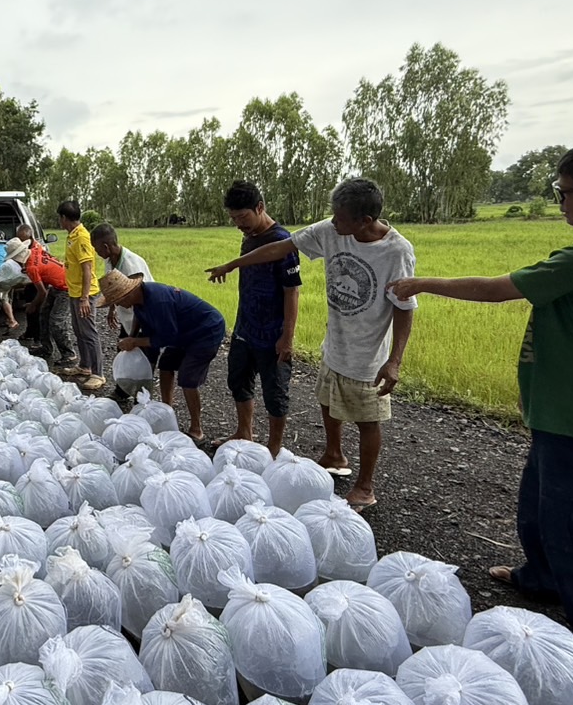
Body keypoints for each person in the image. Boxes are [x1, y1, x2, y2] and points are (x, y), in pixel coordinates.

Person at [386, 135, 573, 662]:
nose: (562, 201)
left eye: (566, 192)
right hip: (564, 411)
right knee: (542, 507)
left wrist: (421, 283)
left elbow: (496, 288)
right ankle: (543, 579)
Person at [207, 178, 416, 509]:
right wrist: (233, 264)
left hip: (369, 353)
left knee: (367, 419)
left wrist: (395, 361)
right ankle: (334, 454)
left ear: (364, 220)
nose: (333, 221)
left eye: (340, 216)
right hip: (334, 344)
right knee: (328, 404)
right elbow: (282, 247)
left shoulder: (396, 251)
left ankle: (365, 486)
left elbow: (405, 307)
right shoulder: (331, 230)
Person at [221, 181, 301, 457]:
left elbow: (292, 291)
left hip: (272, 333)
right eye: (233, 219)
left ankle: (274, 449)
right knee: (238, 380)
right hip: (245, 327)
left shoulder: (283, 241)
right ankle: (245, 432)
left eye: (242, 217)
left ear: (260, 207)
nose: (238, 224)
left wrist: (287, 337)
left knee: (275, 393)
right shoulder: (249, 238)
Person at [99, 270, 226, 442]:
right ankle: (168, 411)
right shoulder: (139, 298)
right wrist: (133, 336)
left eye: (119, 300)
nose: (119, 305)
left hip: (205, 331)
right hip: (181, 331)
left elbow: (167, 338)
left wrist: (135, 342)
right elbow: (139, 315)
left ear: (128, 293)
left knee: (188, 379)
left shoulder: (158, 301)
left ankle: (197, 429)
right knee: (166, 365)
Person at [91, 223, 154, 401]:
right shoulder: (109, 259)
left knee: (142, 358)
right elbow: (115, 287)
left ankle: (142, 397)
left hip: (143, 317)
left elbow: (143, 304)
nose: (97, 253)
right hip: (127, 314)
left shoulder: (131, 267)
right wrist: (112, 308)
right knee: (124, 351)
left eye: (97, 249)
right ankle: (122, 390)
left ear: (106, 246)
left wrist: (132, 337)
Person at [57, 200, 105, 391]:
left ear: (63, 218)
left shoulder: (82, 237)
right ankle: (85, 366)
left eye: (59, 219)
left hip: (85, 293)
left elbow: (87, 268)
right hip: (74, 291)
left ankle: (98, 373)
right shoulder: (72, 235)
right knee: (79, 330)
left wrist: (85, 297)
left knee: (89, 332)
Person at [15, 236, 76, 366]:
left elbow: (42, 292)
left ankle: (68, 353)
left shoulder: (32, 268)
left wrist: (32, 305)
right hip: (57, 283)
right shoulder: (35, 249)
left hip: (66, 287)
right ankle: (46, 348)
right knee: (44, 314)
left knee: (56, 321)